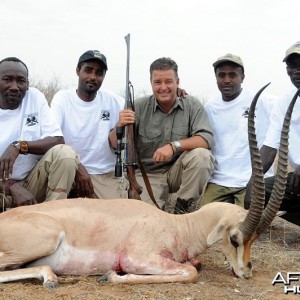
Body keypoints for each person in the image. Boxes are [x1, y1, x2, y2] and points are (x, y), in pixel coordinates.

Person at [113, 57, 214, 213]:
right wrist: (119, 125)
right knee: (145, 219)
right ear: (151, 83)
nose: (163, 87)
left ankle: (182, 207)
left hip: (177, 172)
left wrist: (174, 146)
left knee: (202, 156)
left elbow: (206, 139)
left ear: (177, 81)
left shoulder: (192, 104)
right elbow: (113, 143)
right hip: (148, 175)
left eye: (168, 81)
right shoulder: (138, 106)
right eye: (158, 82)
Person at [0, 57, 78, 210]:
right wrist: (10, 186)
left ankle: (52, 216)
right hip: (2, 186)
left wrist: (19, 146)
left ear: (28, 84)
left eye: (21, 81)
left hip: (30, 181)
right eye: (7, 79)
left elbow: (57, 140)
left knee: (65, 153)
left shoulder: (34, 97)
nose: (15, 87)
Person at [51, 50, 129, 199]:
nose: (93, 77)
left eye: (99, 73)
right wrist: (78, 169)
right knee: (58, 214)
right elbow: (54, 140)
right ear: (78, 71)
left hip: (103, 174)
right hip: (68, 170)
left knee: (116, 218)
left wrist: (174, 93)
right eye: (88, 70)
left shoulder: (113, 100)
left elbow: (140, 109)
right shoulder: (62, 99)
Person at [201, 53, 275, 207]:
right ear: (216, 78)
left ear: (242, 77)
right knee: (207, 222)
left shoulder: (263, 100)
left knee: (244, 226)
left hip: (251, 181)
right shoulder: (210, 107)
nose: (227, 80)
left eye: (232, 75)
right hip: (219, 180)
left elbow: (292, 110)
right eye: (221, 75)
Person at [245, 42, 300, 226]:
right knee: (261, 193)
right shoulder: (283, 103)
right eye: (292, 66)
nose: (297, 71)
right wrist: (254, 180)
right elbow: (269, 149)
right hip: (297, 179)